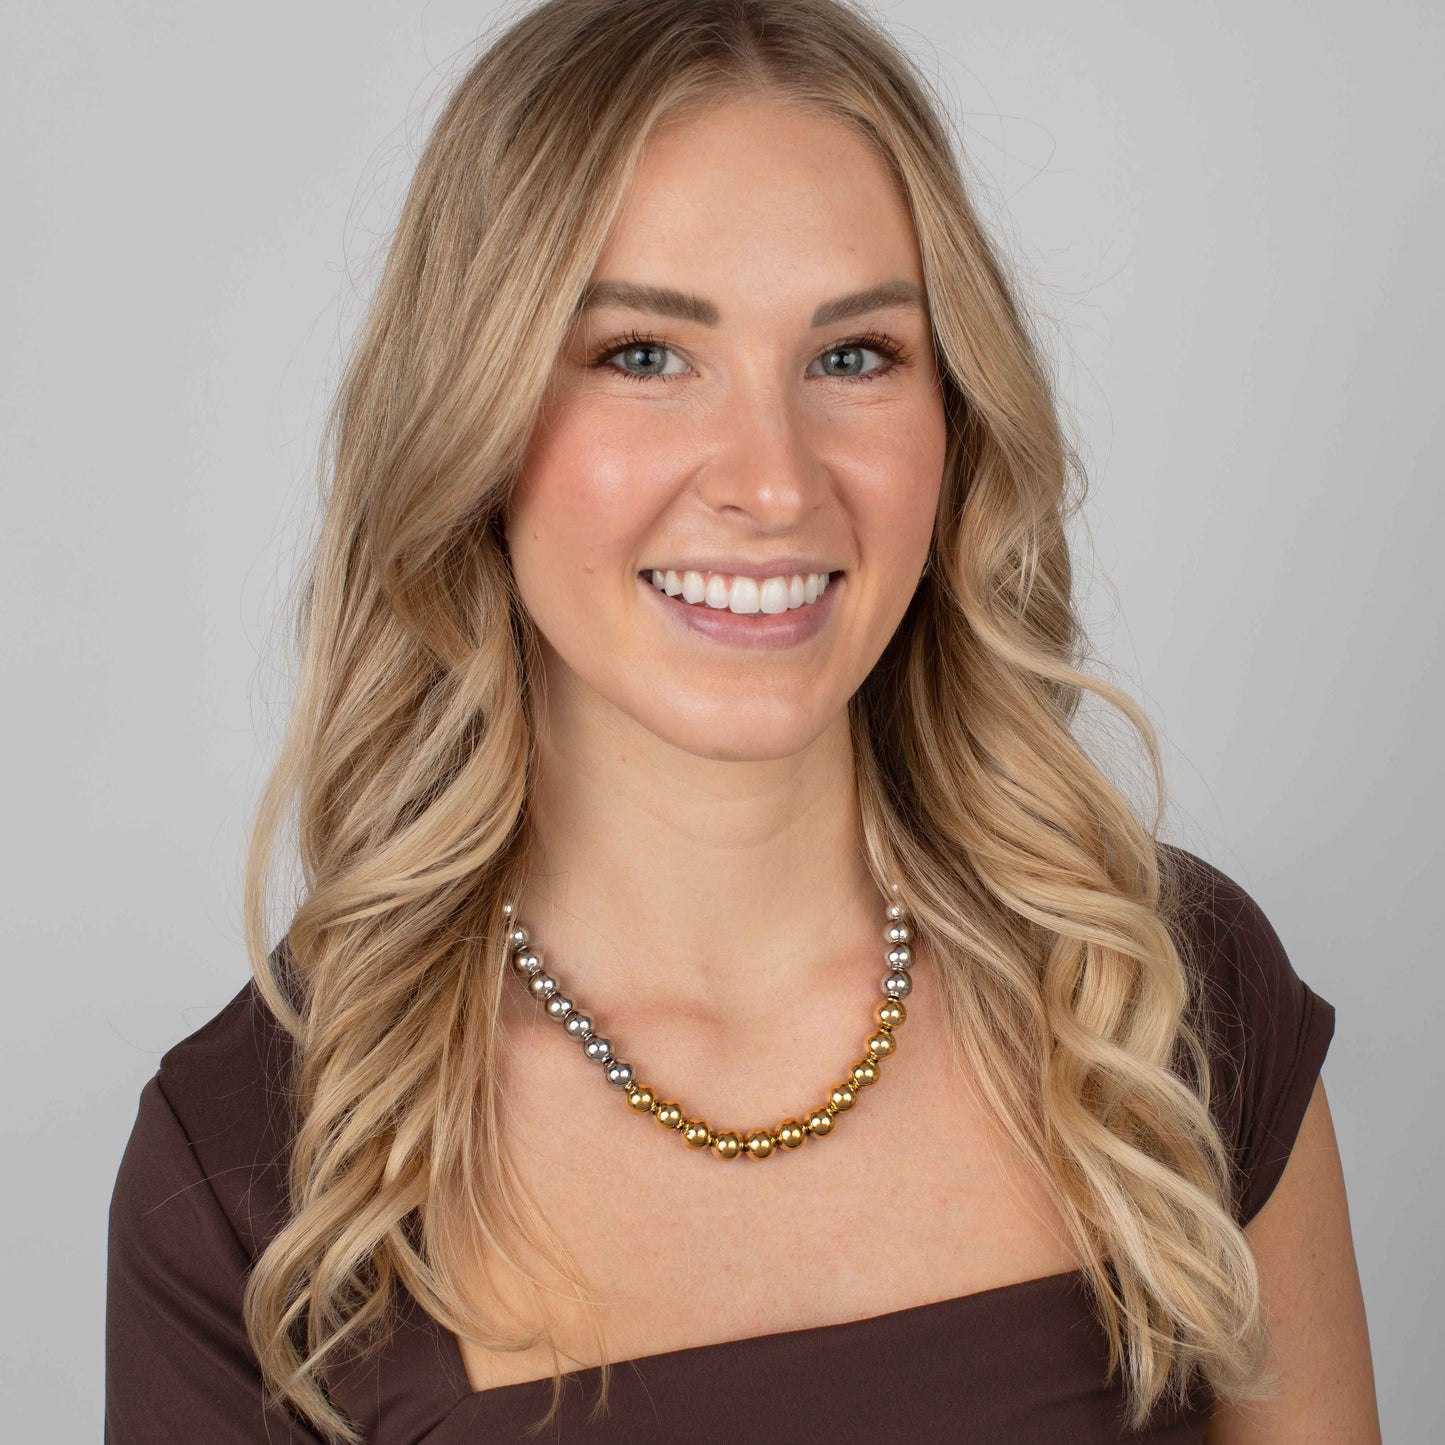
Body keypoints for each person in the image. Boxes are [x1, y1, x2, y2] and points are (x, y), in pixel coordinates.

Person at [104, 1, 1381, 1441]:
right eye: (644, 354)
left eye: (854, 357)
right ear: (472, 424)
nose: (772, 481)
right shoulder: (251, 1178)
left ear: (956, 424)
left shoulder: (1163, 998)